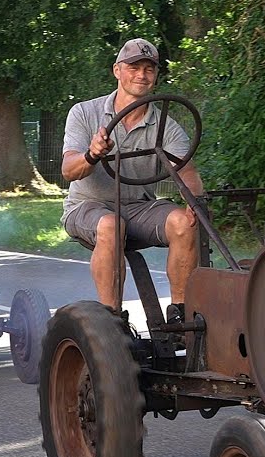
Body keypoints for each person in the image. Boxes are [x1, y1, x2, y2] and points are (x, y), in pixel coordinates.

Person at [61, 38, 205, 311]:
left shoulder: (165, 126)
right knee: (111, 225)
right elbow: (68, 170)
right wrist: (92, 154)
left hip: (139, 207)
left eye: (149, 69)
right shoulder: (84, 112)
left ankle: (181, 314)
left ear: (156, 75)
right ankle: (112, 317)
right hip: (88, 206)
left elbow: (186, 171)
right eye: (134, 67)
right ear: (117, 70)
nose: (142, 74)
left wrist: (196, 201)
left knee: (184, 223)